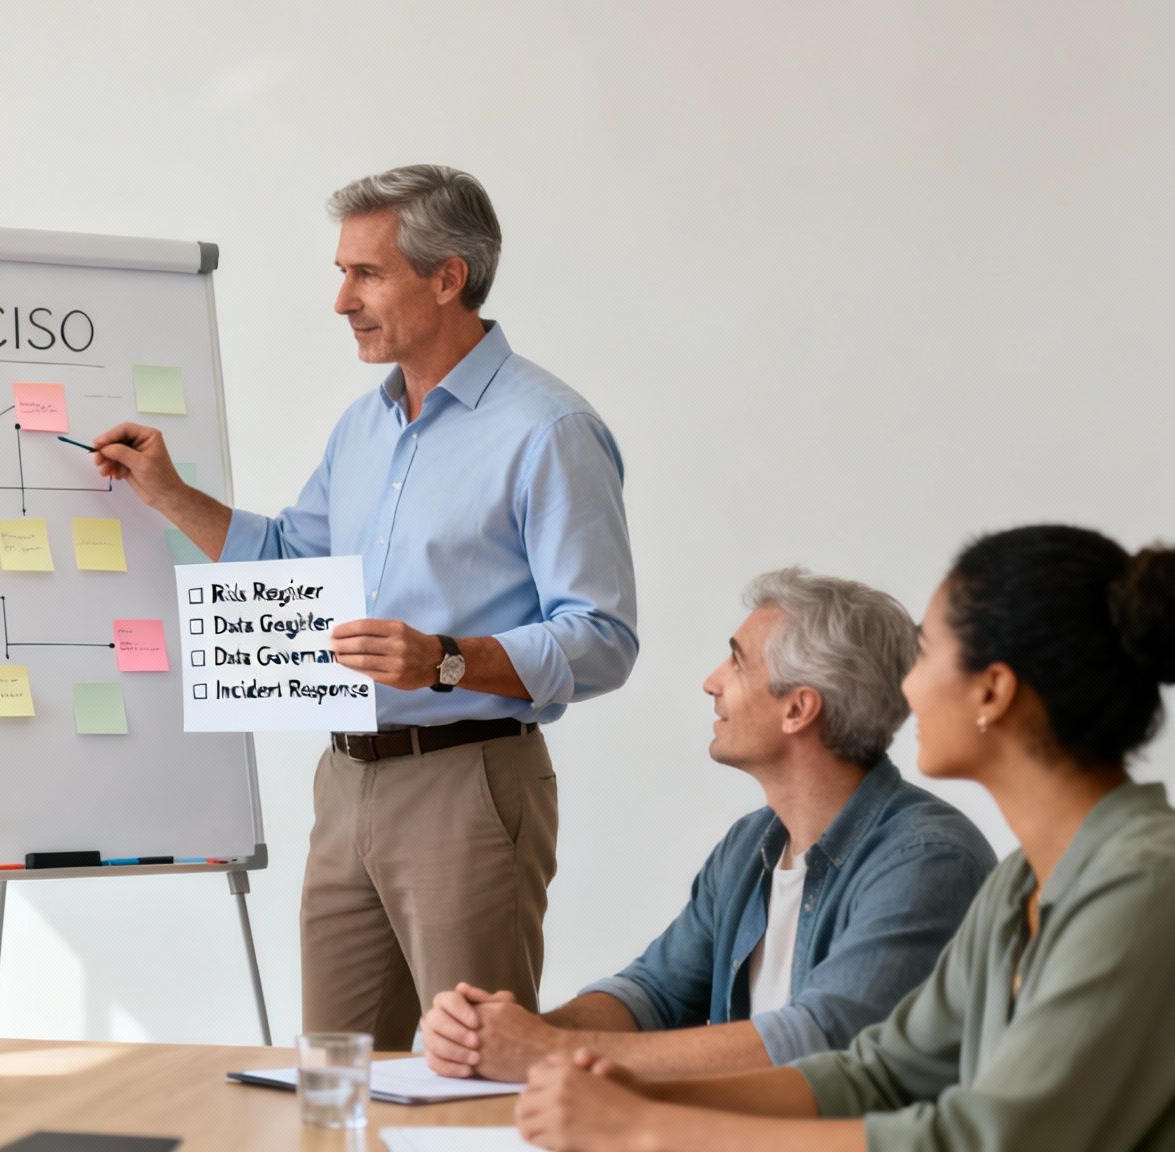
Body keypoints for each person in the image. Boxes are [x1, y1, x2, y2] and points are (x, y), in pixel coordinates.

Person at [92, 164, 638, 1046]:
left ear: (447, 276)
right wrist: (166, 491)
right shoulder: (365, 426)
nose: (341, 299)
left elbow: (603, 639)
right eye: (342, 272)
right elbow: (289, 564)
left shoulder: (549, 430)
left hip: (468, 782)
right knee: (337, 1074)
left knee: (473, 1073)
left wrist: (447, 658)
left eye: (366, 273)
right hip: (347, 779)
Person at [513, 525, 1175, 1152]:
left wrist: (650, 1128)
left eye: (928, 653)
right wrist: (636, 1093)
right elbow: (878, 1072)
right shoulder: (1019, 885)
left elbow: (980, 1140)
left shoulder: (1144, 885)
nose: (907, 686)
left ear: (994, 691)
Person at [421, 569, 994, 1081]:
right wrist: (508, 1032)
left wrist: (547, 1050)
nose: (711, 681)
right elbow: (653, 993)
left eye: (737, 660)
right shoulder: (753, 843)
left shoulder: (928, 859)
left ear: (799, 709)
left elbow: (820, 1043)